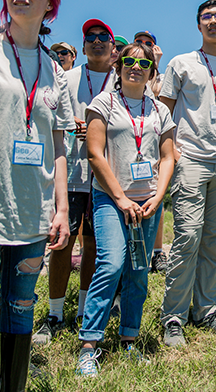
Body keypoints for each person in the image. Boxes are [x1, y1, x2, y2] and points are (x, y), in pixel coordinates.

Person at [0, 0, 74, 391]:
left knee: (21, 307)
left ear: (49, 4)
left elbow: (58, 145)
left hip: (33, 210)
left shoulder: (53, 69)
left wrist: (60, 208)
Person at [75, 43, 175, 376]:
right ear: (119, 66)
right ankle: (90, 345)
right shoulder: (103, 102)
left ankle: (129, 338)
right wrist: (121, 199)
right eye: (129, 60)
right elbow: (94, 154)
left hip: (147, 202)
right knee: (111, 264)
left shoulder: (160, 110)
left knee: (139, 272)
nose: (136, 66)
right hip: (110, 199)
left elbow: (168, 157)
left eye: (143, 62)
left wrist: (157, 197)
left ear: (151, 70)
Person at [160, 0, 216, 345]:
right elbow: (163, 111)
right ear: (198, 26)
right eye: (206, 17)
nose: (213, 22)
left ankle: (206, 309)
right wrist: (171, 152)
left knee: (213, 239)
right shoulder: (181, 63)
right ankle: (174, 317)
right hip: (190, 158)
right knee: (187, 237)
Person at [33, 19, 116, 343]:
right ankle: (54, 313)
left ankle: (83, 309)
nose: (97, 42)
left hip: (105, 177)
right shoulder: (65, 78)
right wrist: (71, 127)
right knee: (62, 244)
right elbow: (48, 118)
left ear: (112, 46)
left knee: (94, 245)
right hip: (69, 174)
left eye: (103, 37)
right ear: (82, 47)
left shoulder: (120, 81)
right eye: (90, 37)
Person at [133, 30, 168, 273]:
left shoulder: (162, 76)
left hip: (151, 146)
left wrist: (155, 65)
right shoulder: (129, 69)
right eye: (139, 43)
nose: (144, 46)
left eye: (149, 43)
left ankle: (157, 252)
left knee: (157, 198)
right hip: (130, 146)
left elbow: (157, 98)